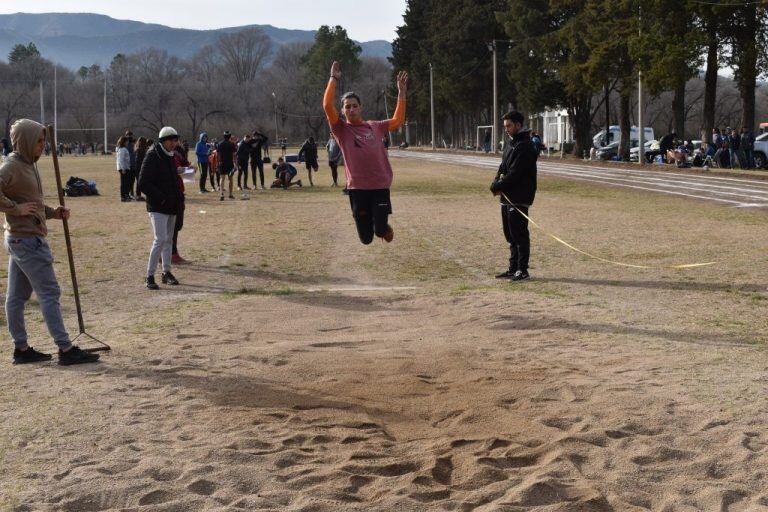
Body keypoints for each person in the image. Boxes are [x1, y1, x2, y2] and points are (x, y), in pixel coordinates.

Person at [0, 119, 99, 365]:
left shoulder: (27, 165)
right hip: (26, 240)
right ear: (24, 141)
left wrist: (53, 212)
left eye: (44, 140)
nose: (43, 146)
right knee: (49, 292)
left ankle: (21, 349)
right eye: (39, 141)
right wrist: (15, 209)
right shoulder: (12, 166)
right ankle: (65, 349)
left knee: (16, 296)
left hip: (22, 238)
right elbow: (22, 206)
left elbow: (31, 204)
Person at [322, 60, 408, 244]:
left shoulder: (374, 127)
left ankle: (382, 225)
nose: (351, 109)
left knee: (380, 231)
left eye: (354, 105)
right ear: (343, 111)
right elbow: (327, 106)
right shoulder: (341, 129)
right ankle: (373, 219)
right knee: (366, 239)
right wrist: (333, 79)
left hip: (379, 187)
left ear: (360, 107)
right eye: (347, 106)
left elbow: (397, 121)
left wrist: (401, 94)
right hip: (357, 189)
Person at [490, 111, 538, 281]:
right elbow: (503, 167)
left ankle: (522, 269)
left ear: (518, 125)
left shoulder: (526, 146)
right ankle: (512, 267)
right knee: (510, 235)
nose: (507, 129)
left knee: (519, 235)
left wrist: (499, 185)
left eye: (509, 125)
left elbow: (516, 173)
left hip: (519, 197)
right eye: (505, 126)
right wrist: (495, 182)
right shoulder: (511, 144)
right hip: (506, 197)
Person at [137, 127, 183, 290]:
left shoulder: (170, 156)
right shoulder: (153, 155)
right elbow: (143, 183)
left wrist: (176, 199)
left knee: (169, 240)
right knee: (160, 239)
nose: (174, 143)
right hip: (157, 206)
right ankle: (149, 275)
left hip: (172, 205)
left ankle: (166, 272)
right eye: (171, 140)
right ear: (163, 140)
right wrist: (162, 198)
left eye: (175, 140)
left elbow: (169, 177)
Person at [171, 141, 190, 264]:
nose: (174, 143)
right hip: (170, 194)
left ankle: (173, 252)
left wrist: (190, 168)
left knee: (177, 225)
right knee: (171, 227)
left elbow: (185, 165)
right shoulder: (162, 156)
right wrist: (179, 170)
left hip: (179, 193)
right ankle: (170, 253)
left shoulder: (176, 154)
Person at [216, 131, 236, 201]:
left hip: (222, 163)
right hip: (230, 164)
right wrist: (235, 164)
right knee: (230, 179)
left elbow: (218, 155)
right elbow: (234, 155)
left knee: (222, 178)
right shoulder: (232, 144)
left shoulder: (220, 144)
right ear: (229, 136)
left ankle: (221, 194)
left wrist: (218, 163)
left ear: (223, 136)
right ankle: (230, 194)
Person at [116, 135, 132, 202]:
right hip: (124, 168)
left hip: (125, 167)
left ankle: (126, 195)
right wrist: (123, 169)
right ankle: (123, 196)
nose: (127, 143)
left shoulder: (121, 149)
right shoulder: (122, 149)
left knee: (126, 182)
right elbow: (121, 160)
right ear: (124, 142)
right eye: (126, 142)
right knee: (124, 183)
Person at [134, 137, 148, 201]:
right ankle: (138, 195)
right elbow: (140, 160)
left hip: (138, 167)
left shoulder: (138, 149)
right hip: (139, 167)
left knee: (139, 182)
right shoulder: (140, 150)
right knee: (139, 182)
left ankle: (138, 195)